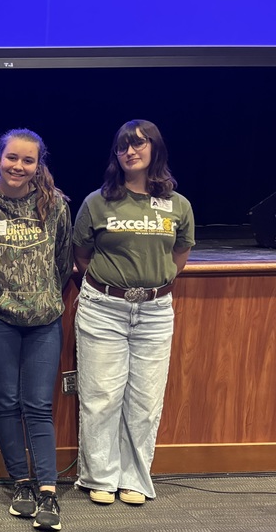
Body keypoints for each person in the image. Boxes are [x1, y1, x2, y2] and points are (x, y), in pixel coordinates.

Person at [0, 128, 72, 532]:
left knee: (37, 404)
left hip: (43, 320)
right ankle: (21, 483)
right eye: (12, 158)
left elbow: (62, 261)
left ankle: (48, 492)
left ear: (39, 165)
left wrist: (43, 295)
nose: (18, 166)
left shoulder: (55, 206)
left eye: (28, 160)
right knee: (5, 401)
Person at [72, 119, 194, 506]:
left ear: (155, 149)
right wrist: (116, 286)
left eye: (139, 144)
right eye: (123, 146)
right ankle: (99, 477)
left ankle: (135, 479)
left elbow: (180, 256)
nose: (130, 152)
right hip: (104, 308)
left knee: (145, 400)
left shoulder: (178, 205)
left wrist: (151, 285)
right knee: (101, 397)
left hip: (155, 312)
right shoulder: (97, 202)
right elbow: (82, 256)